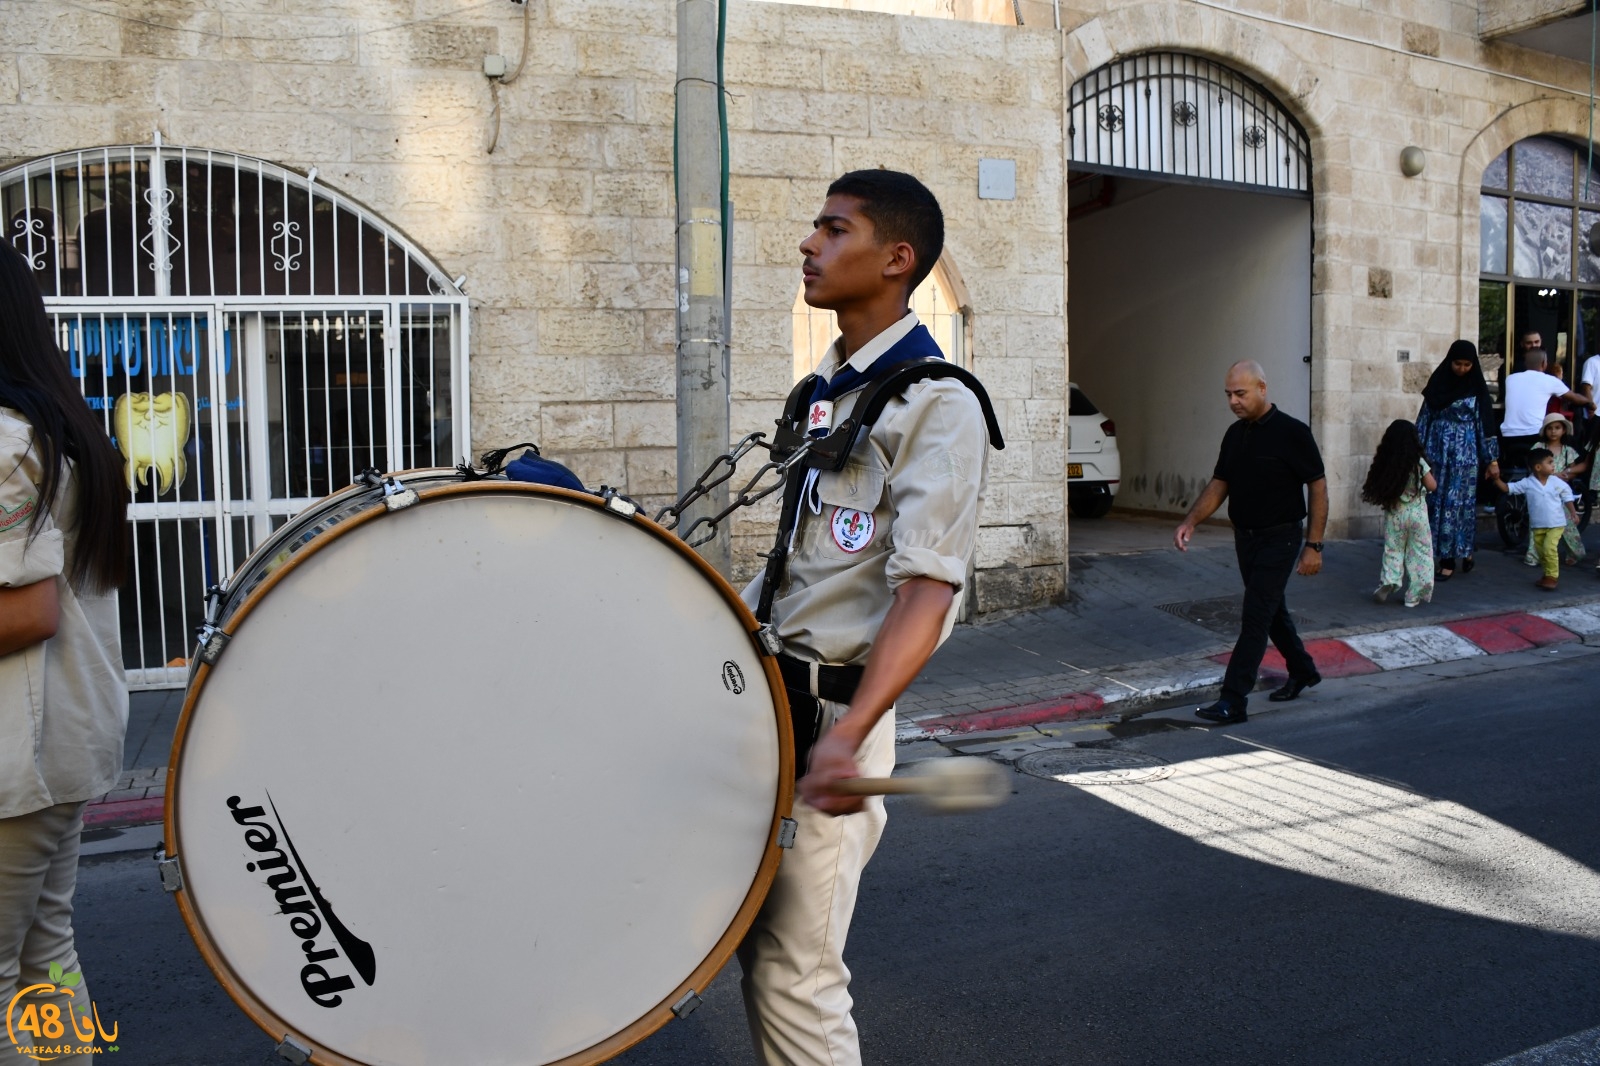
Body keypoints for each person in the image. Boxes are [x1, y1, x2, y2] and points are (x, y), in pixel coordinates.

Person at [736, 170, 992, 1066]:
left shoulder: (939, 405)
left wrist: (851, 736)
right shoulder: (828, 392)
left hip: (838, 719)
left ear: (896, 258)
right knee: (755, 951)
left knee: (795, 973)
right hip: (773, 704)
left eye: (833, 229)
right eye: (815, 227)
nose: (809, 243)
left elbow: (927, 590)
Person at [0, 240, 128, 1060]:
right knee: (46, 959)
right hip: (61, 748)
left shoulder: (8, 441)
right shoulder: (60, 427)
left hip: (19, 760)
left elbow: (28, 613)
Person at [1173, 360, 1327, 724]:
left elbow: (1317, 486)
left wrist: (1313, 545)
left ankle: (1233, 699)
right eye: (1228, 394)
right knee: (1271, 610)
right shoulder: (1235, 434)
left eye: (1240, 393)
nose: (1233, 401)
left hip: (1281, 538)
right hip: (1246, 538)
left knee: (1255, 615)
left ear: (1262, 388)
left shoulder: (1293, 432)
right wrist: (1190, 521)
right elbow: (1219, 483)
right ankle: (1303, 670)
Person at [1415, 340, 1498, 580]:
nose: (1462, 369)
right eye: (1457, 364)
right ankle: (1448, 553)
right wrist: (1416, 453)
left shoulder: (1477, 390)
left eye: (1467, 364)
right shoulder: (1437, 385)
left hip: (1464, 456)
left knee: (1457, 506)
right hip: (1436, 452)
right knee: (1435, 502)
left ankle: (1452, 558)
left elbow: (1485, 425)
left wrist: (1491, 460)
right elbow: (1423, 420)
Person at [1362, 419, 1437, 607]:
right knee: (1420, 553)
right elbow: (1432, 485)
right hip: (1417, 514)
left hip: (1395, 514)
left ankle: (1389, 581)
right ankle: (1414, 595)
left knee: (1393, 550)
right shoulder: (1418, 462)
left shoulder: (1387, 463)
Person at [1492, 447, 1577, 590]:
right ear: (1538, 467)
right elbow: (1507, 488)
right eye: (1550, 462)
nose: (1553, 465)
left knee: (1549, 548)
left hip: (1556, 523)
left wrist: (1573, 512)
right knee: (1541, 551)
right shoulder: (1527, 483)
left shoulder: (1556, 481)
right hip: (1537, 525)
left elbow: (1567, 495)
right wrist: (1496, 479)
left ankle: (1552, 577)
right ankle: (1546, 574)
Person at [1501, 348, 1594, 471]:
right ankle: (1567, 473)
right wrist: (1590, 403)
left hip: (1507, 436)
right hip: (1534, 435)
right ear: (1544, 363)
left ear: (1525, 364)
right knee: (1567, 439)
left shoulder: (1510, 379)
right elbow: (1575, 398)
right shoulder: (1549, 380)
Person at [1520, 412, 1587, 567]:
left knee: (1567, 525)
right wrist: (1552, 474)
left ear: (1563, 430)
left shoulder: (1567, 451)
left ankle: (1575, 552)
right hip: (1540, 491)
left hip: (1559, 494)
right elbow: (1532, 468)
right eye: (1550, 428)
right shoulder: (1538, 447)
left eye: (1557, 428)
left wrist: (1566, 476)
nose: (1553, 431)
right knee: (1537, 524)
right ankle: (1534, 554)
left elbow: (1572, 470)